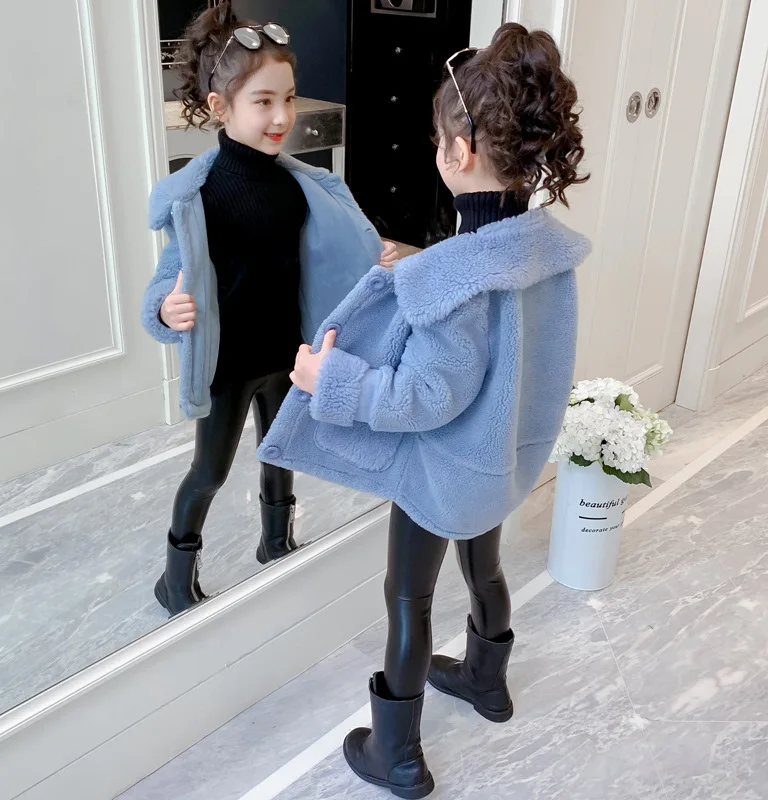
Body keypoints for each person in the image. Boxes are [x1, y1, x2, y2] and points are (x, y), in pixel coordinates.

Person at [258, 23, 590, 798]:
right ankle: (486, 680)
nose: (437, 149)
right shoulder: (547, 252)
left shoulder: (450, 278)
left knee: (408, 600)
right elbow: (508, 340)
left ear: (458, 151)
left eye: (438, 139)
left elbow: (423, 395)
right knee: (486, 569)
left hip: (442, 475)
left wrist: (328, 379)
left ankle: (397, 754)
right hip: (502, 461)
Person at [141, 1, 398, 616]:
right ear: (219, 106)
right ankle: (175, 575)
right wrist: (166, 310)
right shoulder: (199, 197)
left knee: (284, 451)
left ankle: (276, 543)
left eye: (288, 98)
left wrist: (371, 256)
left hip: (287, 353)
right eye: (263, 102)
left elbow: (330, 253)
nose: (282, 116)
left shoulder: (299, 184)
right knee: (209, 472)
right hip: (229, 365)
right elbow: (168, 278)